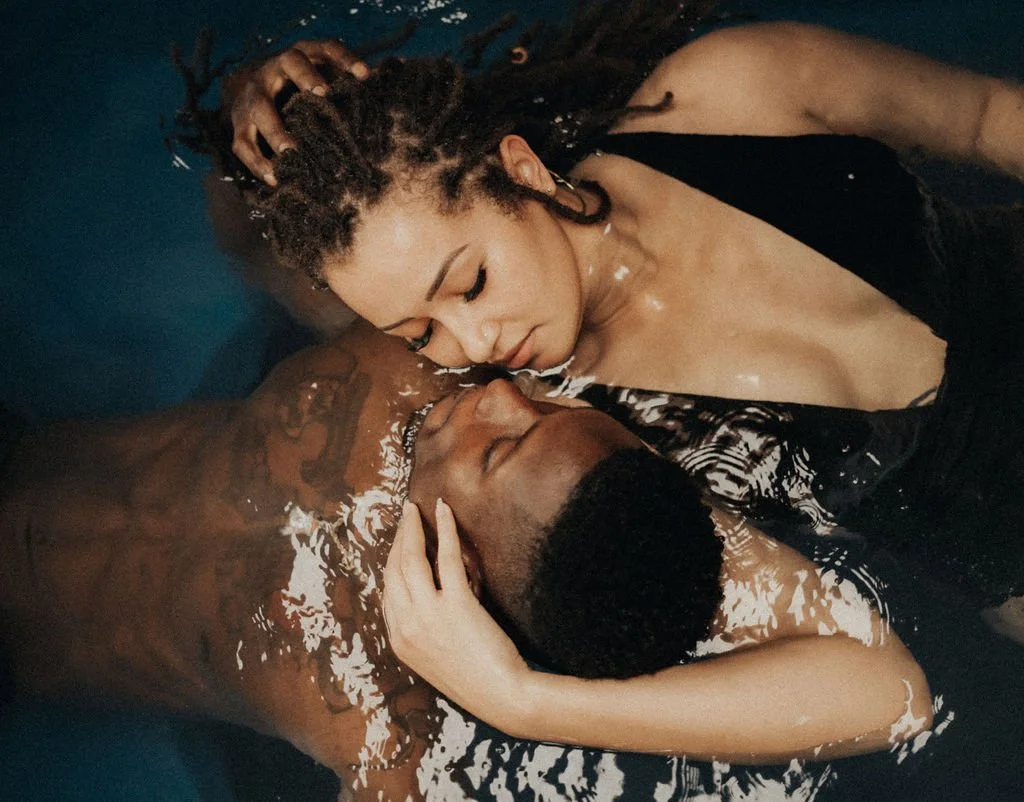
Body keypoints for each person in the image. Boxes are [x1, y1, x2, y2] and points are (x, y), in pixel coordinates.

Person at [178, 1, 1024, 610]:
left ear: (521, 170)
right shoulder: (564, 435)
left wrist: (262, 87)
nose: (474, 342)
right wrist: (246, 123)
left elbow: (989, 118)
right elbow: (252, 253)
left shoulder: (734, 94)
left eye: (469, 284)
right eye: (420, 333)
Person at [0, 323, 934, 800]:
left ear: (472, 572)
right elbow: (254, 233)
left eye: (501, 450)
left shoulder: (378, 719)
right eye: (546, 410)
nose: (498, 395)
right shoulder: (412, 367)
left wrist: (520, 700)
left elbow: (893, 697)